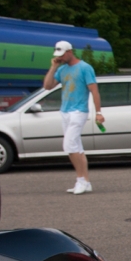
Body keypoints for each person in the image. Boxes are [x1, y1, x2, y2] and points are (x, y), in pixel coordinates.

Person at [43, 41, 104, 195]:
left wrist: (98, 112)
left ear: (70, 52)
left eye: (62, 55)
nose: (60, 58)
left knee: (69, 145)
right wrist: (53, 67)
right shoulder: (62, 69)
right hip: (65, 111)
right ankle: (86, 182)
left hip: (79, 111)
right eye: (58, 55)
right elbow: (47, 86)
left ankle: (80, 180)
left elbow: (94, 91)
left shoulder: (85, 68)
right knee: (77, 147)